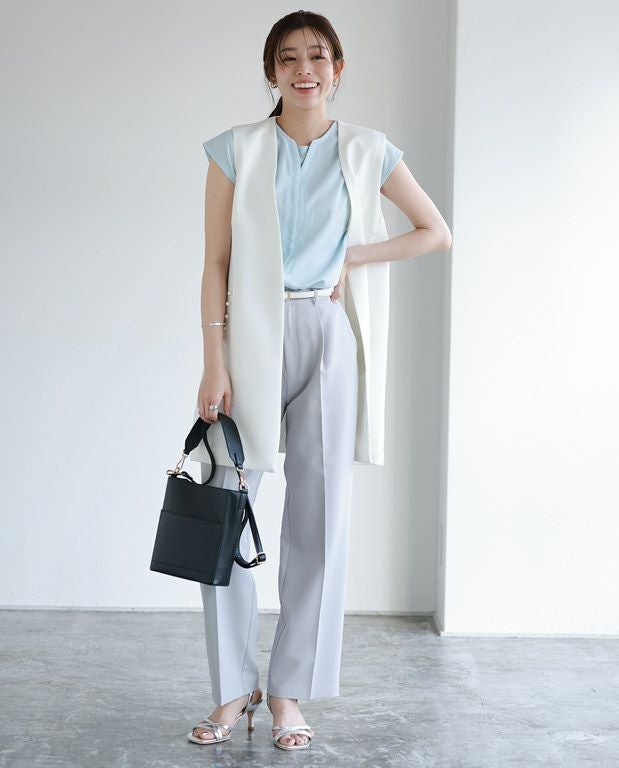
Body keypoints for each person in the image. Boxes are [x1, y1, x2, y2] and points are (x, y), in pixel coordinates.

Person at [187, 10, 452, 752]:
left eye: (318, 56)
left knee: (320, 514)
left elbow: (435, 231)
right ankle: (232, 688)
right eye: (288, 57)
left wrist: (354, 257)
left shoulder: (369, 150)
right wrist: (214, 359)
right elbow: (215, 263)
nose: (304, 69)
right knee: (225, 502)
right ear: (271, 71)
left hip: (328, 335)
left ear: (338, 68)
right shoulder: (236, 149)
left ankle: (289, 693)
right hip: (250, 336)